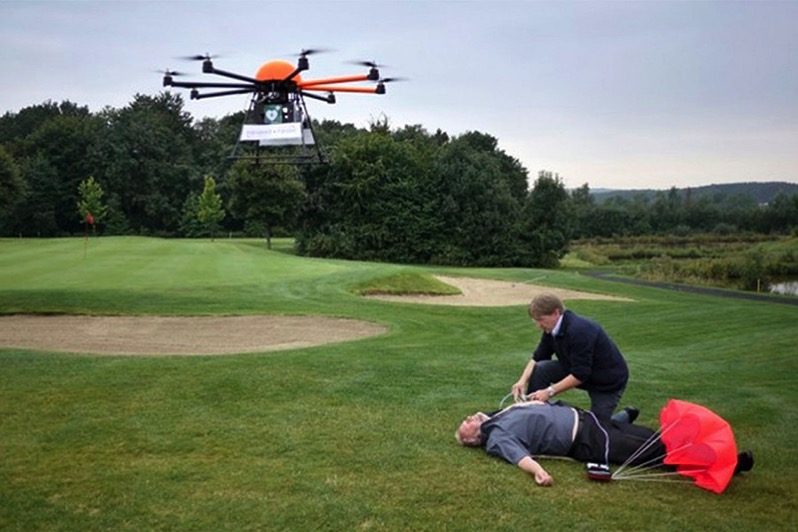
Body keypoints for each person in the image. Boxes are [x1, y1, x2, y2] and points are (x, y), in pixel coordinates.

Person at [455, 400, 754, 487]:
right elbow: (517, 455)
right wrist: (537, 471)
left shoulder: (497, 415)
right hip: (585, 440)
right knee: (653, 451)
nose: (468, 417)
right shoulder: (496, 438)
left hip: (590, 419)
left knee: (654, 436)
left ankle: (624, 418)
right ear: (474, 438)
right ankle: (730, 463)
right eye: (465, 424)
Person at [512, 294, 629, 419]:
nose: (538, 325)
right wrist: (522, 381)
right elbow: (538, 357)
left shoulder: (579, 331)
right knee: (541, 368)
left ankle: (626, 415)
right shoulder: (551, 329)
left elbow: (580, 375)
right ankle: (531, 414)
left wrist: (548, 392)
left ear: (555, 313)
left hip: (607, 380)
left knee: (595, 429)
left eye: (541, 319)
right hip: (578, 369)